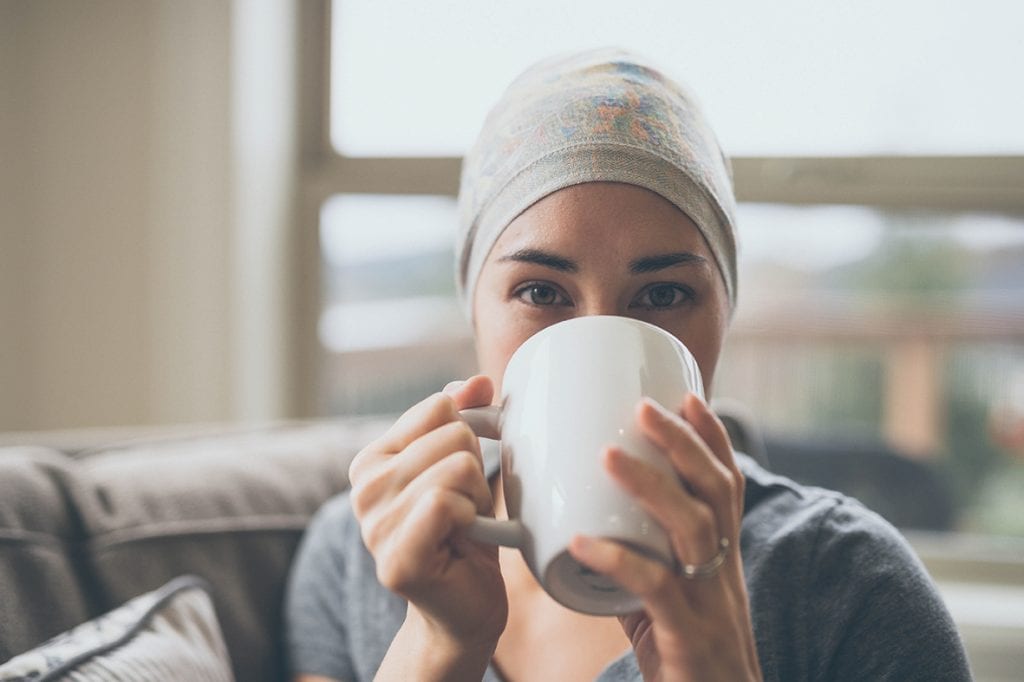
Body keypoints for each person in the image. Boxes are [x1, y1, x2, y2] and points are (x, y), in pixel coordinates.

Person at [284, 49, 972, 681]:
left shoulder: (849, 586)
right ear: (474, 310)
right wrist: (436, 645)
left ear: (724, 319)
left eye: (664, 294)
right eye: (540, 292)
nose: (598, 334)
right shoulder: (360, 554)